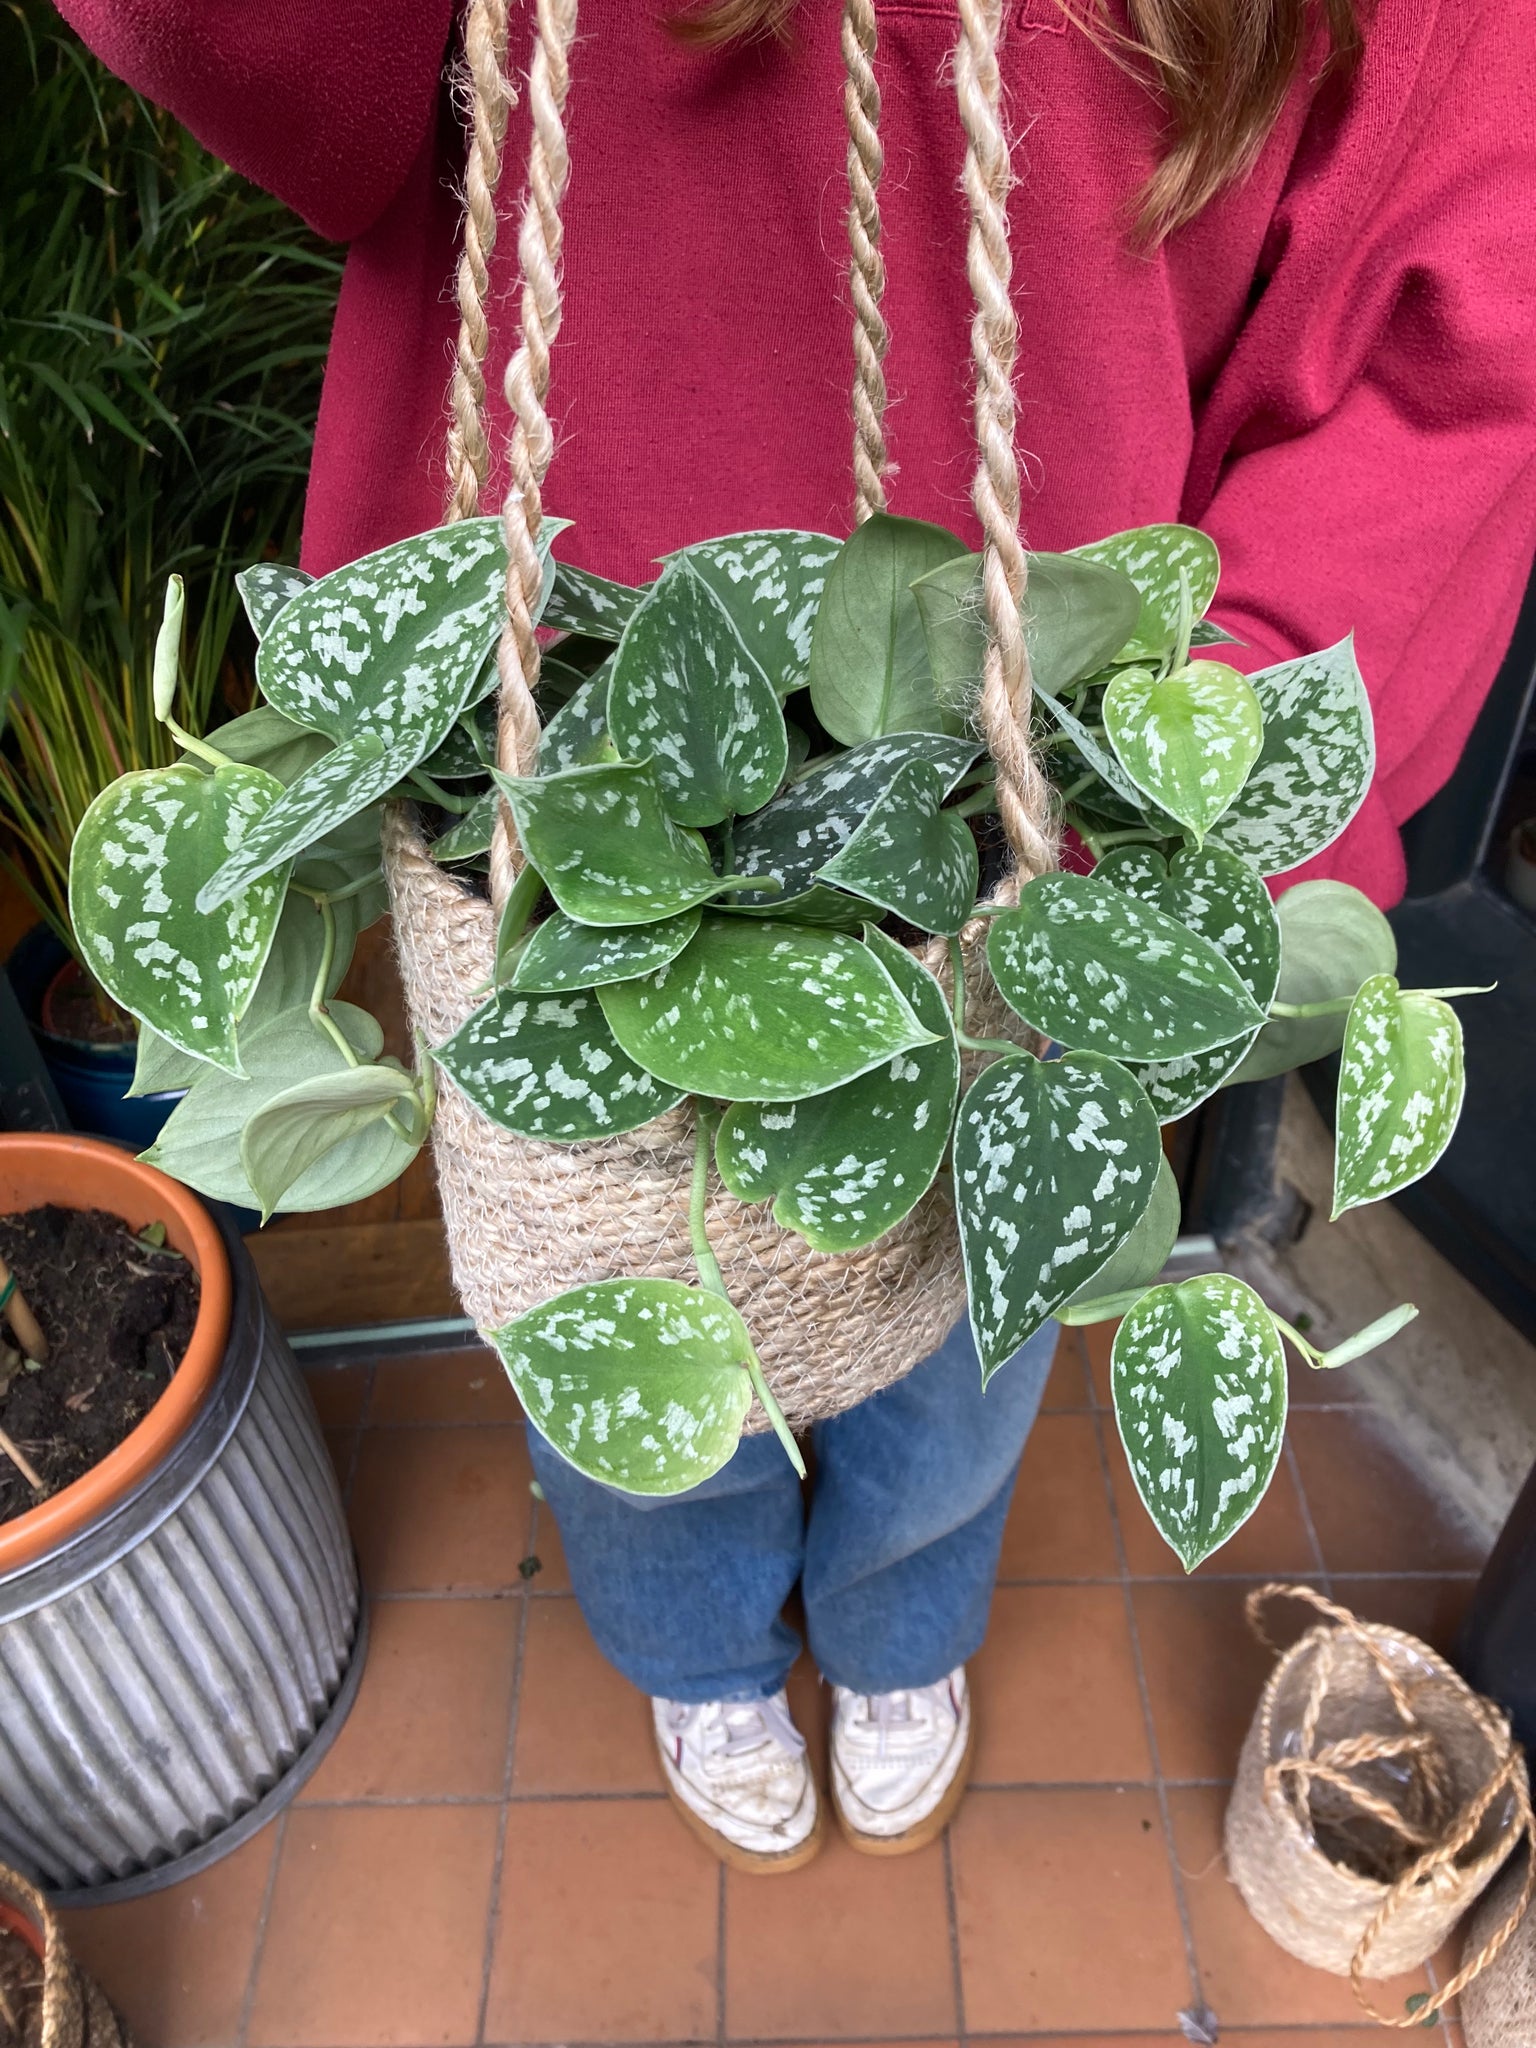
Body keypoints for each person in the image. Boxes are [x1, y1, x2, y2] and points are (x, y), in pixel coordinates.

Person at [57, 0, 1536, 1870]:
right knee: (611, 1279)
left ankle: (900, 1625)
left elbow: (1456, 303)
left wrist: (1201, 764)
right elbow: (274, 70)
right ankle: (700, 1651)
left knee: (968, 1323)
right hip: (545, 715)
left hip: (1035, 755)